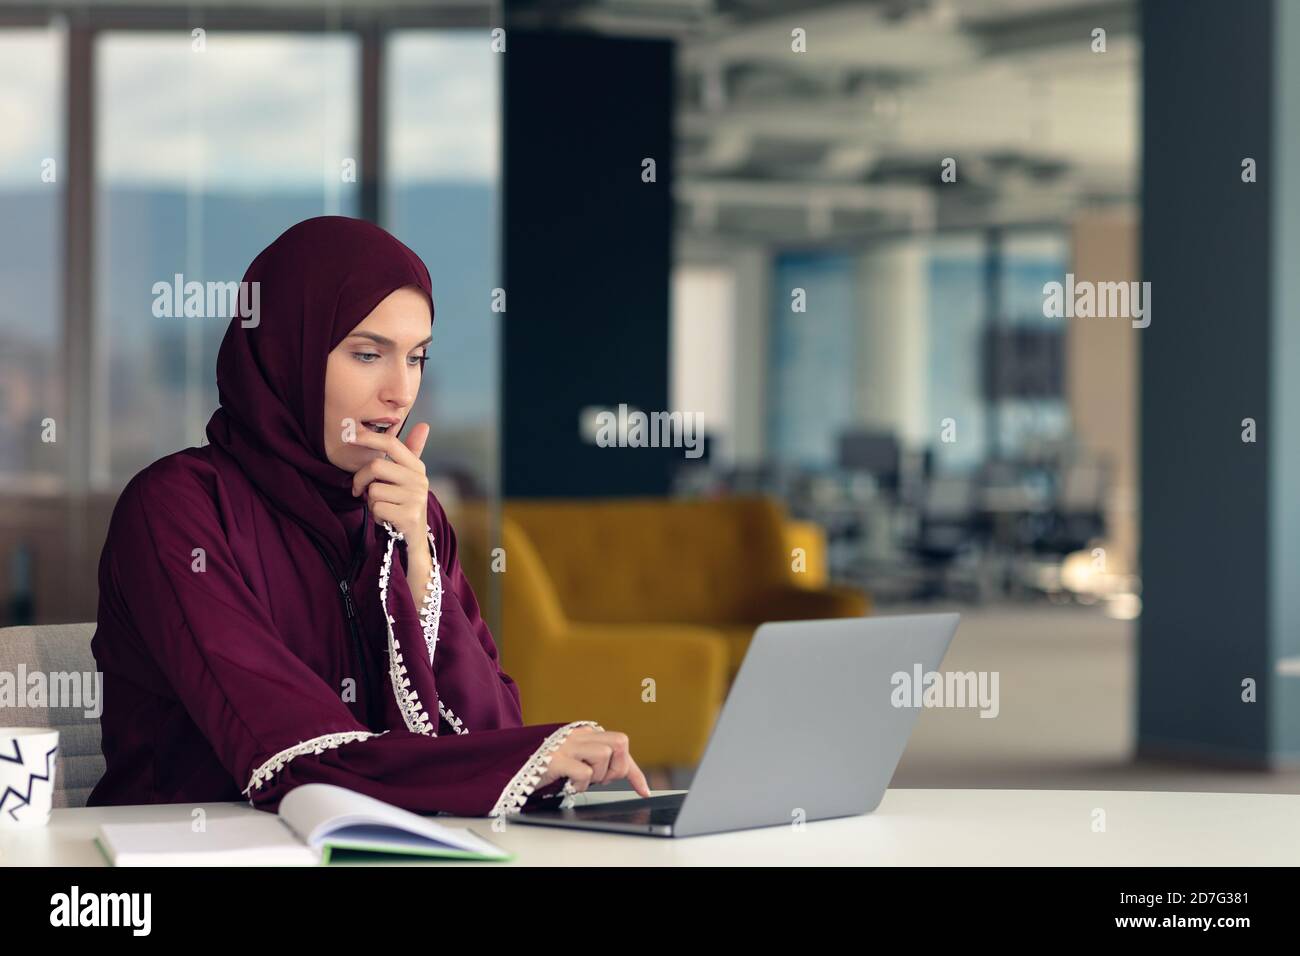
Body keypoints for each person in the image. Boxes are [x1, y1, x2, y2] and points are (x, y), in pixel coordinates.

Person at [87, 216, 650, 817]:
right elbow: (293, 757)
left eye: (416, 358)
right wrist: (525, 758)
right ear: (285, 350)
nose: (400, 391)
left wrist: (417, 562)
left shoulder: (412, 512)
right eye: (366, 353)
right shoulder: (177, 509)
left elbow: (489, 729)